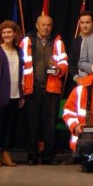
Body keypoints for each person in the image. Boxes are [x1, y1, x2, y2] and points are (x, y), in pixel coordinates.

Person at [20, 15, 68, 165]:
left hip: (51, 89)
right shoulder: (26, 41)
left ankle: (48, 156)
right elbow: (20, 64)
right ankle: (32, 156)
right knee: (32, 125)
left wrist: (59, 70)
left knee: (49, 126)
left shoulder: (58, 42)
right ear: (37, 25)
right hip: (31, 89)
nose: (46, 28)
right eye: (43, 25)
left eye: (49, 25)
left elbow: (64, 62)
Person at [0, 20, 24, 167]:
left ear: (15, 34)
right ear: (0, 35)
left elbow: (20, 74)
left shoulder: (18, 51)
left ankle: (6, 153)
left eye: (10, 32)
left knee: (10, 126)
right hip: (0, 94)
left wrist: (21, 94)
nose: (7, 35)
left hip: (15, 94)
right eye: (4, 32)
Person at [68, 10, 93, 87]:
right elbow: (71, 63)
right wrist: (76, 78)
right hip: (78, 83)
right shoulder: (75, 41)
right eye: (82, 23)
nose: (84, 26)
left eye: (87, 22)